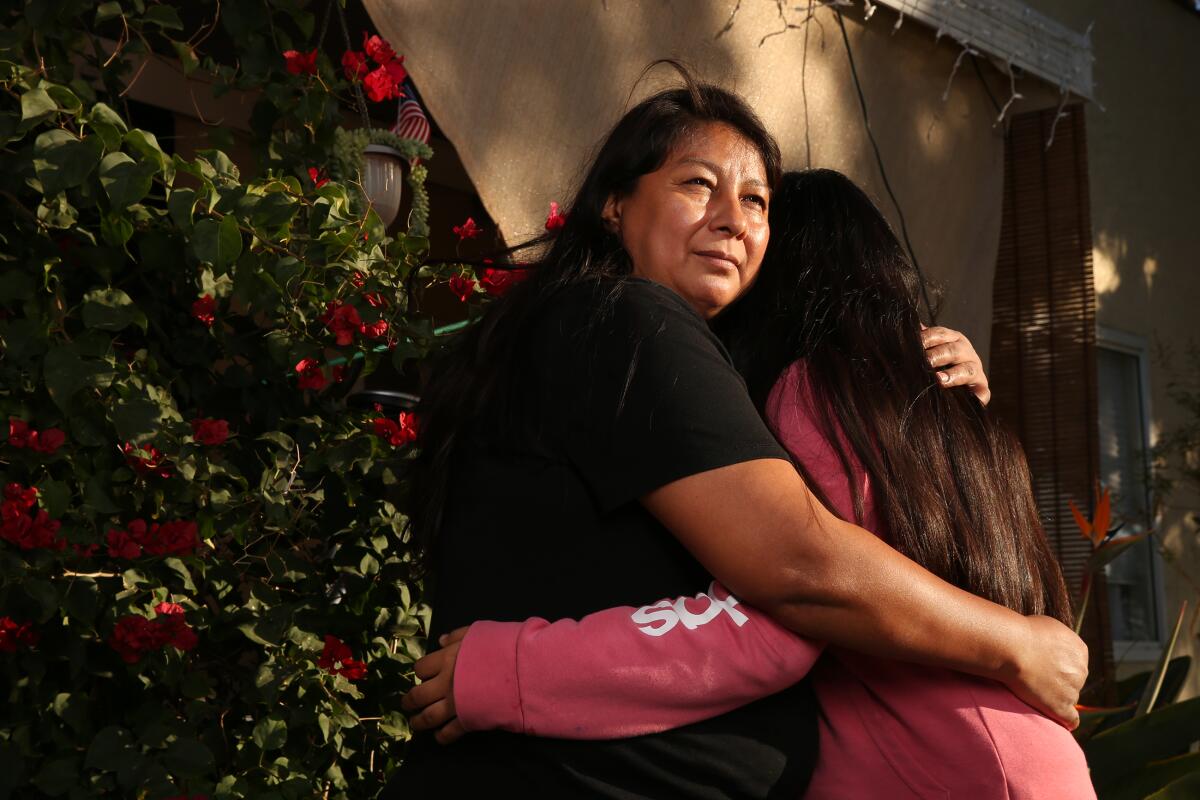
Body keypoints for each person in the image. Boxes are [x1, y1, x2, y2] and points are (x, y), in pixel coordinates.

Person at [390, 69, 1087, 799]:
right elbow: (799, 570)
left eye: (756, 201)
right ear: (614, 204)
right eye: (698, 184)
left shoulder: (668, 355)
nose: (733, 219)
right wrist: (1017, 644)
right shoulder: (631, 320)